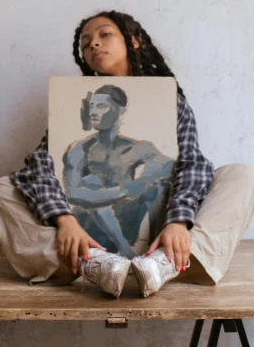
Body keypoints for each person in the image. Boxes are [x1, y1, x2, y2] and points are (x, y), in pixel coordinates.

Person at [0, 10, 254, 298]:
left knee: (241, 175)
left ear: (134, 41)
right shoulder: (74, 135)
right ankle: (94, 266)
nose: (93, 45)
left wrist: (178, 221)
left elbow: (191, 164)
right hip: (83, 245)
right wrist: (64, 220)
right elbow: (42, 168)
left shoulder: (163, 114)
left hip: (160, 241)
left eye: (104, 34)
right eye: (85, 43)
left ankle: (167, 262)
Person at [63, 84, 175, 258]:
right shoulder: (79, 149)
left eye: (101, 106)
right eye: (92, 106)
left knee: (157, 188)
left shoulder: (137, 147)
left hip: (128, 222)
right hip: (92, 229)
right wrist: (123, 191)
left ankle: (155, 253)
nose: (93, 112)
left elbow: (169, 166)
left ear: (119, 111)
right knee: (89, 182)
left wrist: (144, 180)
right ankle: (124, 250)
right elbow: (72, 193)